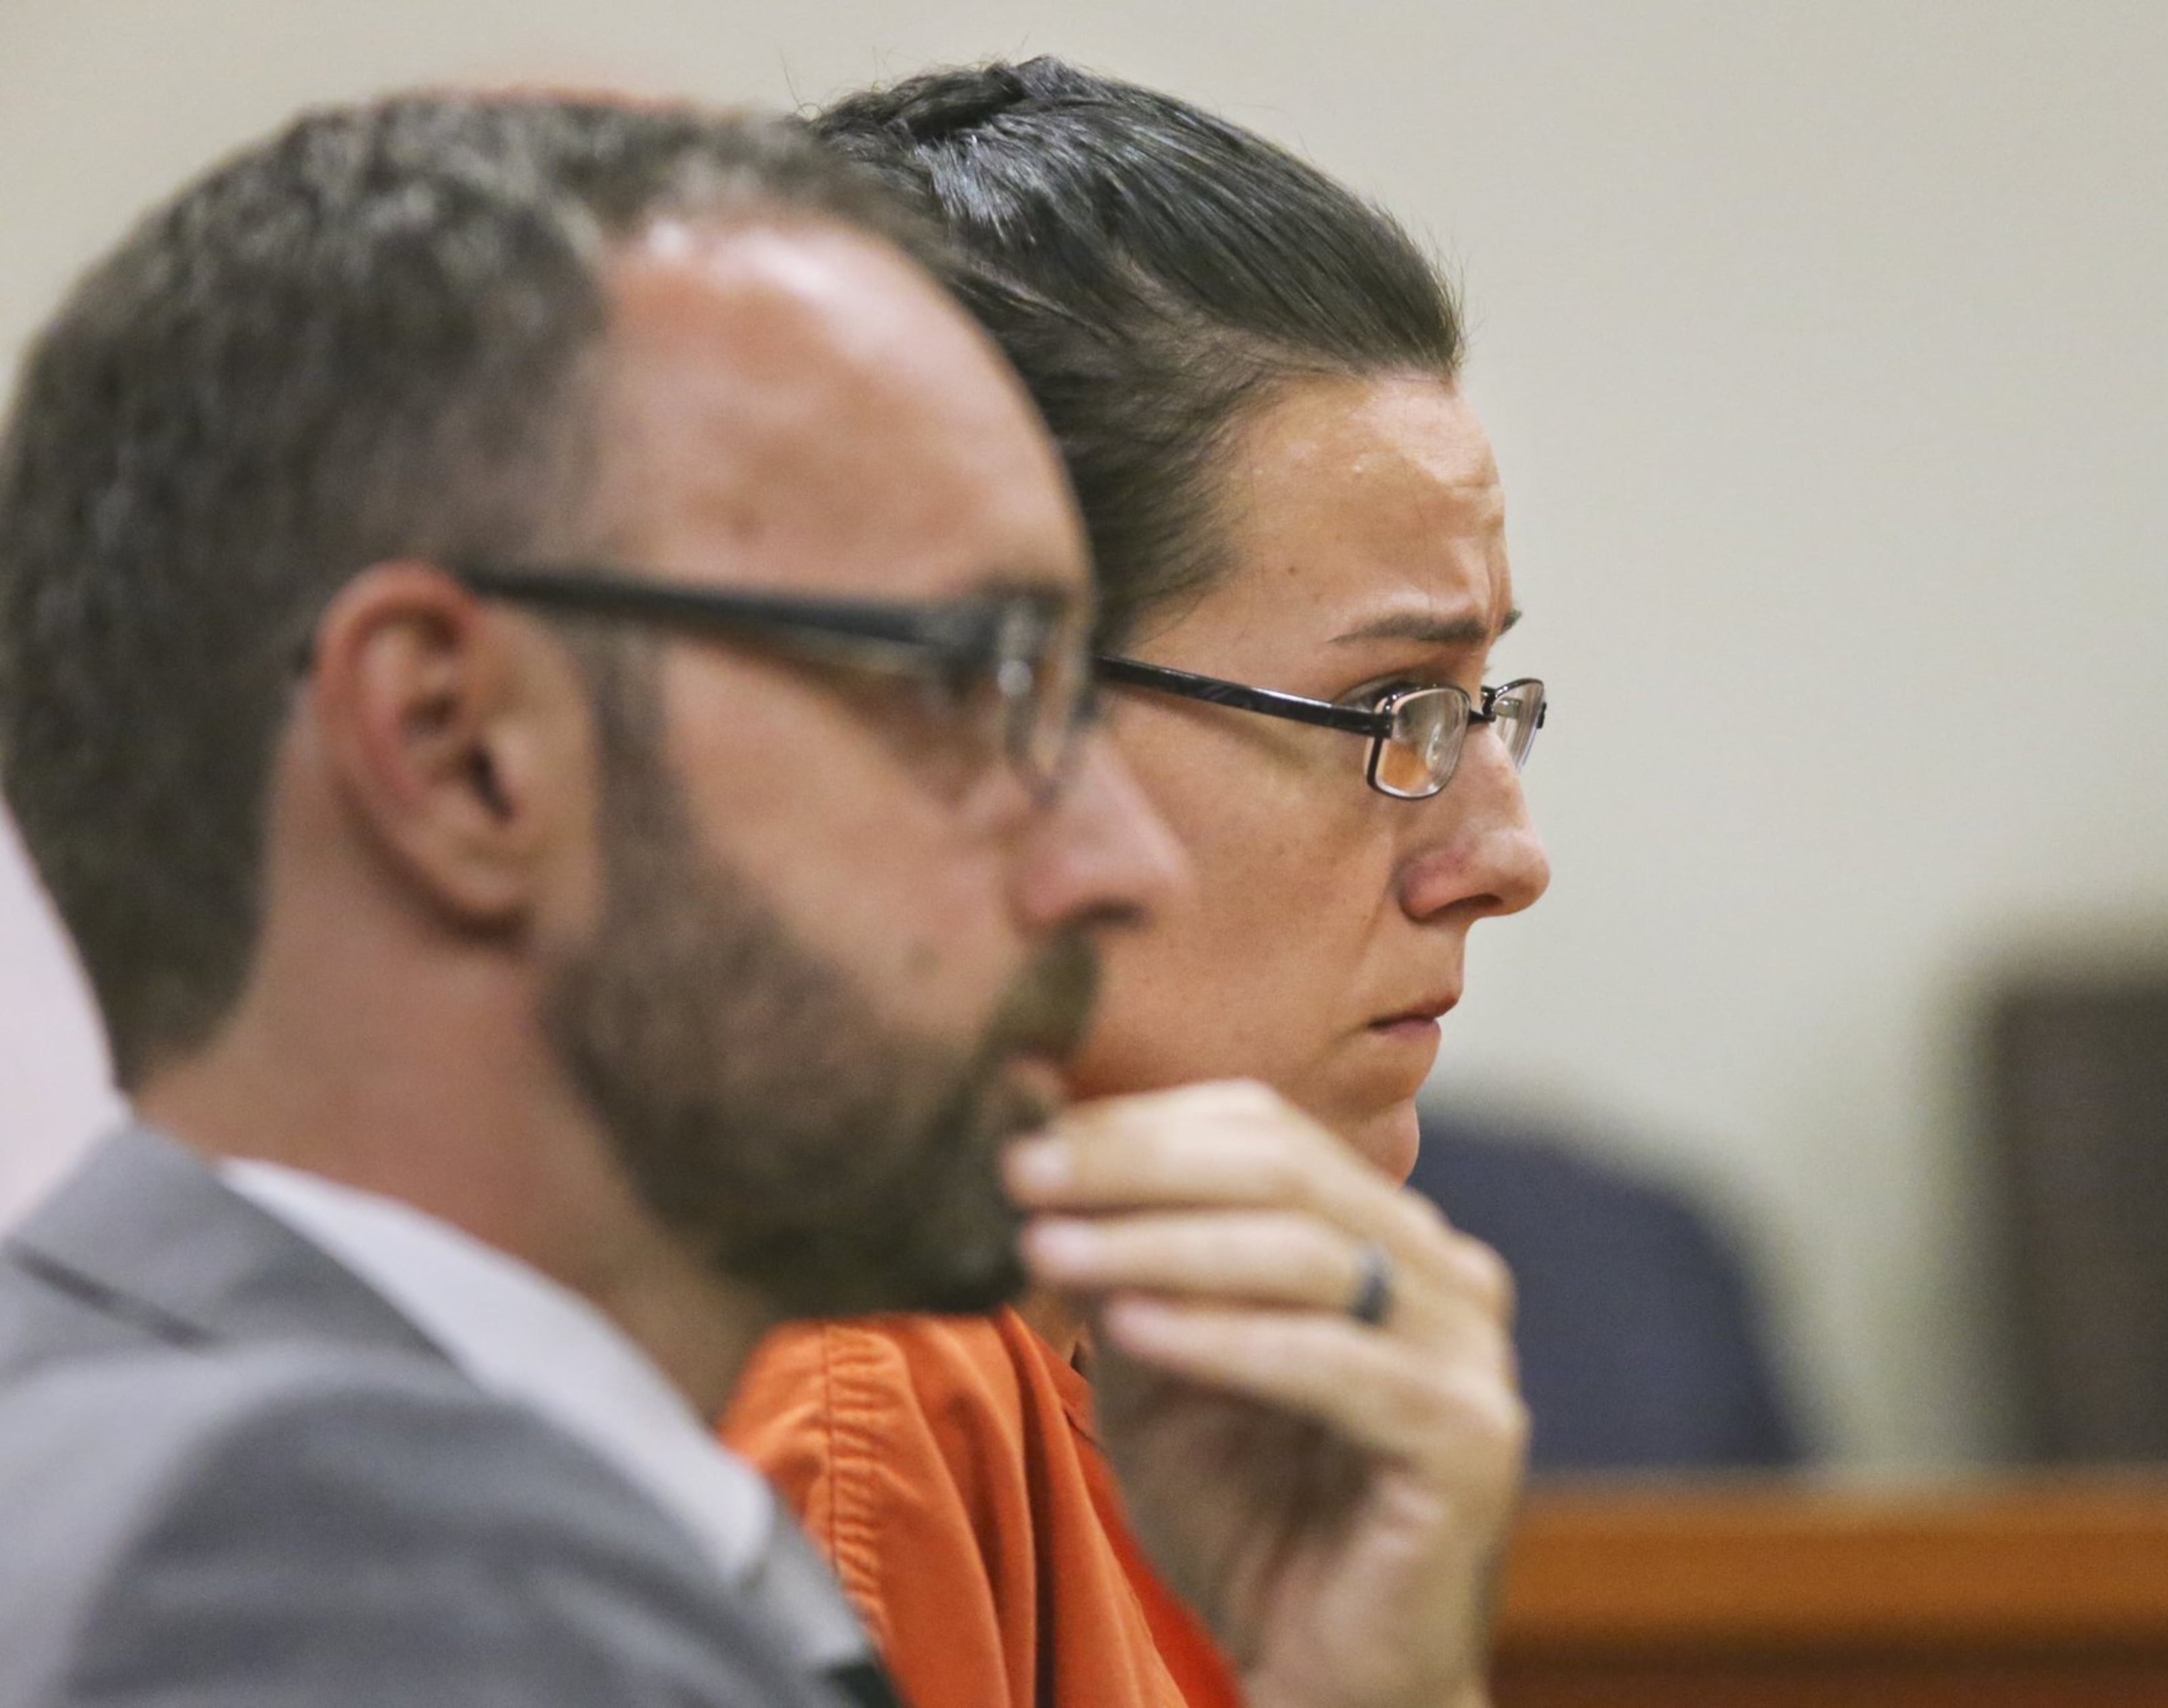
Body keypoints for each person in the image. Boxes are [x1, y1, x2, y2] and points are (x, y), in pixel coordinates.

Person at [0, 91, 1524, 1708]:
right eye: (977, 684)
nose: (1104, 858)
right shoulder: (333, 1580)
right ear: (462, 750)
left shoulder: (243, 1462)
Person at [723, 58, 1549, 1708]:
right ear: (951, 718)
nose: (1503, 858)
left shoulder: (1155, 1391)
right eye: (1395, 710)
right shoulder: (855, 1396)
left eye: (1485, 707)